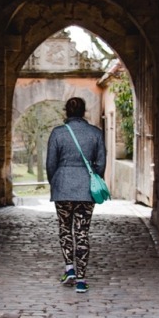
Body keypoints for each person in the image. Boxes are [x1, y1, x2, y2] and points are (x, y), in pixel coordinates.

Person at [46, 97, 107, 293]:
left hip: (63, 188)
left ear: (66, 112)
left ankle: (69, 269)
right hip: (86, 189)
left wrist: (55, 182)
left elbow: (50, 164)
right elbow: (101, 163)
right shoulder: (95, 133)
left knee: (65, 229)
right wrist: (93, 178)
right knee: (82, 232)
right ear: (83, 111)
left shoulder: (57, 133)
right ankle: (81, 280)